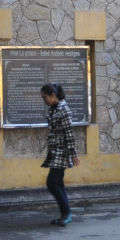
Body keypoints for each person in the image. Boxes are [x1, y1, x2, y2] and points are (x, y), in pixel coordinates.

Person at [40, 83, 78, 226]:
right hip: (55, 151)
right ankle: (65, 214)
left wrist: (73, 154)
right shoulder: (54, 108)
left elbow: (69, 133)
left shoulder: (64, 109)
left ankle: (66, 213)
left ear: (52, 95)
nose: (44, 100)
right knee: (58, 183)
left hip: (61, 152)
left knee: (52, 183)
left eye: (45, 97)